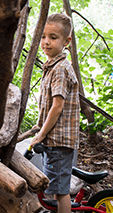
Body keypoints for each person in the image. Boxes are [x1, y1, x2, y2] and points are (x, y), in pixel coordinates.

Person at [30, 13, 81, 213]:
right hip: (54, 140)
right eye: (43, 36)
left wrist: (40, 135)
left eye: (53, 37)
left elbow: (57, 106)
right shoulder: (52, 67)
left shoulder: (60, 69)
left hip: (57, 141)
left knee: (60, 192)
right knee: (57, 188)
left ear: (66, 41)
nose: (46, 42)